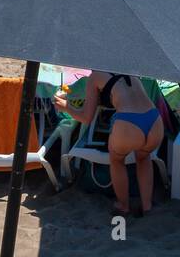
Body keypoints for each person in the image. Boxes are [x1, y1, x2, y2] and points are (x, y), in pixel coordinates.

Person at [54, 71, 164, 218]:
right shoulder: (130, 69)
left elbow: (86, 118)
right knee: (144, 159)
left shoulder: (95, 76)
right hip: (154, 120)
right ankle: (147, 206)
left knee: (117, 161)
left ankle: (123, 206)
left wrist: (66, 106)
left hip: (128, 122)